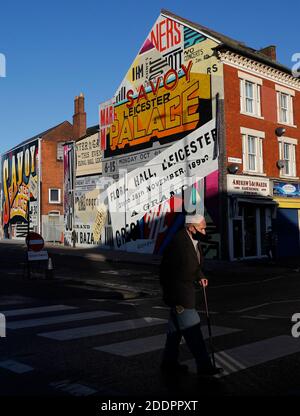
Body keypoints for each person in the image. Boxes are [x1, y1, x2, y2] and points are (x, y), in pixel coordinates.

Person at [159, 214, 223, 377]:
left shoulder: (194, 241)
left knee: (174, 334)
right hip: (181, 297)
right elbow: (165, 272)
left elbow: (194, 265)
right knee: (194, 332)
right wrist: (174, 299)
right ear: (191, 227)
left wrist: (200, 276)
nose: (204, 231)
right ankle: (204, 367)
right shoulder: (178, 243)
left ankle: (169, 364)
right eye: (201, 228)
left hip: (183, 294)